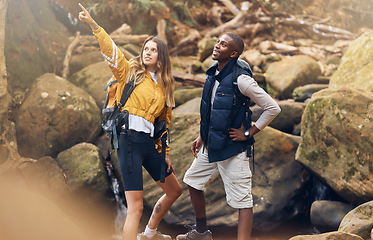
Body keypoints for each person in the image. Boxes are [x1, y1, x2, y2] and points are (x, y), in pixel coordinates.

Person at [78, 3, 182, 240]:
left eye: (153, 50)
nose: (147, 52)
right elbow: (112, 52)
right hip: (128, 142)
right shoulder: (129, 73)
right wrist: (95, 27)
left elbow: (164, 123)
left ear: (161, 56)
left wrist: (164, 152)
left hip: (148, 145)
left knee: (174, 190)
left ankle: (150, 232)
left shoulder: (164, 86)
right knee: (135, 207)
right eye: (145, 48)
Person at [176, 33, 281, 240]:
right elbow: (212, 110)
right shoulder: (214, 72)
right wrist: (202, 136)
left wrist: (249, 132)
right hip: (212, 144)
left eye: (223, 45)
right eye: (218, 41)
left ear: (233, 54)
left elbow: (273, 108)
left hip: (233, 149)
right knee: (193, 181)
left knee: (243, 201)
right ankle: (201, 233)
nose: (216, 46)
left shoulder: (241, 80)